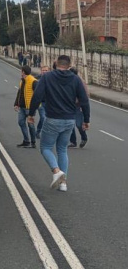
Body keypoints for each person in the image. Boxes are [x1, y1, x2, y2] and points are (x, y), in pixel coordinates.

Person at [28, 55, 91, 192]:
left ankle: (56, 171)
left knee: (45, 147)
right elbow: (84, 101)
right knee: (62, 149)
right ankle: (63, 184)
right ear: (70, 65)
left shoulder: (47, 77)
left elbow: (37, 96)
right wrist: (86, 120)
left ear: (56, 63)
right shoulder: (75, 79)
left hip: (52, 118)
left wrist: (31, 114)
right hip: (69, 120)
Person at [14, 65, 38, 148]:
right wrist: (16, 104)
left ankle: (33, 142)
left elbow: (37, 95)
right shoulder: (22, 81)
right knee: (21, 122)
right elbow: (19, 93)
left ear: (23, 72)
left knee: (30, 124)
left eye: (21, 71)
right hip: (22, 107)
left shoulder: (33, 81)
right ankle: (26, 141)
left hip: (29, 107)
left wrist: (36, 106)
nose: (21, 73)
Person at [68, 67, 90, 148]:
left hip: (78, 106)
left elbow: (86, 95)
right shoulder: (67, 82)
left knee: (79, 124)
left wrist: (81, 104)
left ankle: (84, 137)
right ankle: (73, 141)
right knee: (70, 125)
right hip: (69, 106)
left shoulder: (80, 82)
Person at [36, 66, 49, 138]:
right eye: (43, 70)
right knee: (43, 117)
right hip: (40, 102)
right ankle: (42, 133)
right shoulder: (37, 79)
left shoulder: (51, 79)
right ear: (41, 71)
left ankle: (38, 131)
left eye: (46, 70)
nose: (44, 72)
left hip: (49, 103)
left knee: (46, 118)